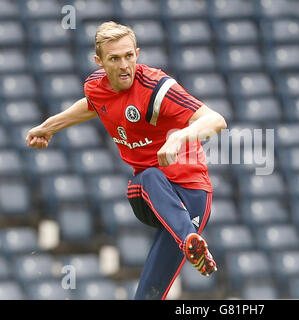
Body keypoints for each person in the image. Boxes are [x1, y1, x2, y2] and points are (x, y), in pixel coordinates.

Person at [26, 21, 227, 300]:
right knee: (148, 177)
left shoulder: (157, 87)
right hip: (149, 193)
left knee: (147, 295)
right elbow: (91, 105)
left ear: (137, 53)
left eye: (129, 56)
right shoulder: (97, 87)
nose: (124, 65)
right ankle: (188, 239)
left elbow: (216, 120)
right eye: (114, 58)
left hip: (192, 195)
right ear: (99, 61)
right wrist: (49, 127)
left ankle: (190, 242)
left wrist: (179, 137)